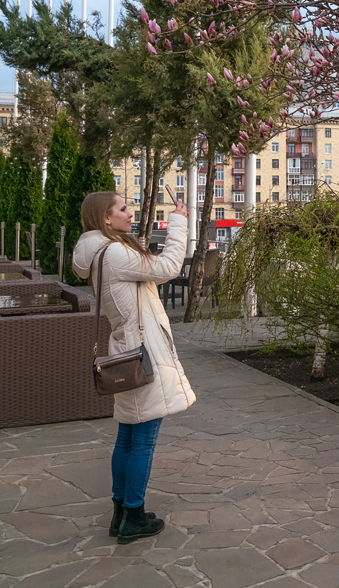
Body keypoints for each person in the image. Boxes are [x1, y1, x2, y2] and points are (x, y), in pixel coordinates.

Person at [72, 191, 195, 545]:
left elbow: (150, 276)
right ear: (105, 219)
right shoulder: (116, 253)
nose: (130, 213)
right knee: (143, 438)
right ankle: (133, 515)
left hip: (123, 350)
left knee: (127, 434)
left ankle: (121, 512)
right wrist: (179, 221)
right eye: (122, 209)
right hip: (142, 354)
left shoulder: (98, 254)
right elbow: (169, 267)